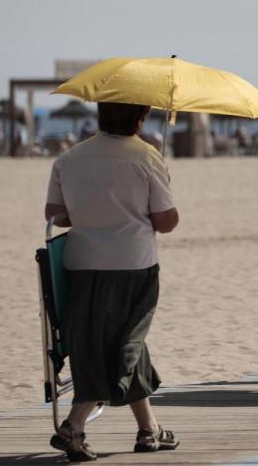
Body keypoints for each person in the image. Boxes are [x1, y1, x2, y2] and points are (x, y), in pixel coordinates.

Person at [44, 102, 180, 462]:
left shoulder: (70, 158)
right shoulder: (147, 157)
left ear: (100, 117)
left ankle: (149, 430)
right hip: (133, 265)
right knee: (126, 342)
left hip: (82, 264)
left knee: (105, 340)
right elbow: (166, 222)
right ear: (139, 119)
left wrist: (93, 212)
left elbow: (55, 216)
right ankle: (74, 424)